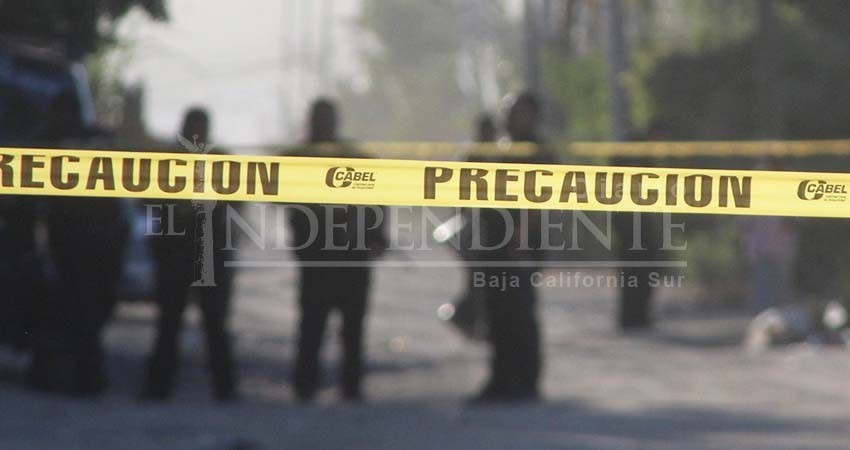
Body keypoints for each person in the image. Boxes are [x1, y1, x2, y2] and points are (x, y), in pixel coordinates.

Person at [30, 90, 129, 396]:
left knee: (73, 314)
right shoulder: (97, 141)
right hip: (95, 244)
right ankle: (84, 377)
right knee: (84, 315)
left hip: (74, 245)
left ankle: (80, 378)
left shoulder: (52, 142)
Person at [287, 99, 386, 402]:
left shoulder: (355, 157)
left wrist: (376, 235)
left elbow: (379, 195)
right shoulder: (298, 158)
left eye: (326, 118)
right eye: (319, 118)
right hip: (317, 257)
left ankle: (350, 387)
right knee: (312, 325)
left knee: (351, 328)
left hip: (352, 256)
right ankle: (306, 386)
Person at [140, 108, 239, 402]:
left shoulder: (216, 160)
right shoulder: (169, 160)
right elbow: (146, 199)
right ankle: (162, 387)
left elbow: (238, 199)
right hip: (180, 250)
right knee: (171, 323)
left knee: (211, 324)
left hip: (205, 250)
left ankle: (222, 388)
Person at [470, 92, 552, 403]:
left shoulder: (536, 150)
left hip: (520, 245)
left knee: (520, 313)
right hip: (494, 243)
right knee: (498, 314)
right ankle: (502, 378)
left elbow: (539, 198)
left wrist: (522, 237)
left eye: (519, 111)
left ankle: (526, 381)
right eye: (510, 111)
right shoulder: (501, 147)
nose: (512, 117)